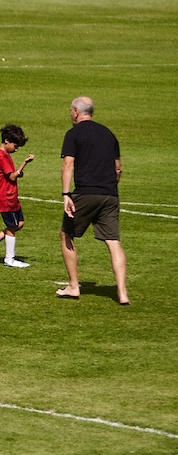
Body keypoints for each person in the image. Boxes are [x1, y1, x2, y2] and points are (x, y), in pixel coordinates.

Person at [56, 96, 128, 304]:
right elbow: (118, 168)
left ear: (77, 112)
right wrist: (111, 188)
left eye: (71, 110)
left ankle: (73, 286)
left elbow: (67, 165)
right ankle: (122, 292)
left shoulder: (73, 134)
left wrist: (66, 194)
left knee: (66, 234)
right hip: (110, 194)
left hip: (85, 193)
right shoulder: (109, 134)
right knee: (113, 242)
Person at [0, 124, 34, 268]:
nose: (16, 149)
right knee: (12, 226)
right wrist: (24, 164)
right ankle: (9, 259)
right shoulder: (1, 156)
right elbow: (12, 177)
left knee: (19, 223)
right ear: (7, 141)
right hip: (6, 197)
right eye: (15, 146)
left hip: (11, 195)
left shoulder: (6, 155)